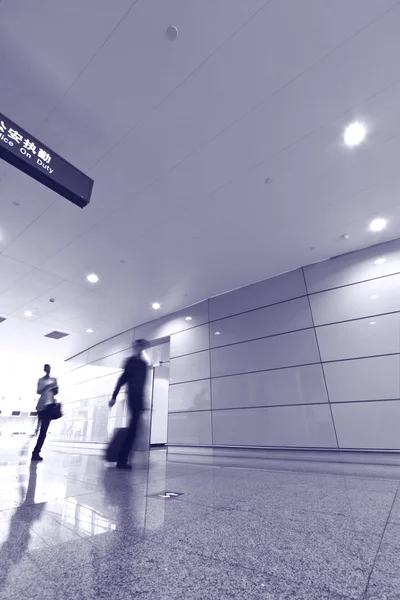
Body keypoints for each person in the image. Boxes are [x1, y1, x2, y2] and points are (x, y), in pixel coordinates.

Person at [109, 339, 148, 470]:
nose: (138, 348)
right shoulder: (130, 362)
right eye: (136, 345)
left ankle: (124, 458)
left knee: (135, 430)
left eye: (140, 345)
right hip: (132, 397)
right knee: (133, 429)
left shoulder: (144, 364)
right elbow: (122, 379)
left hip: (139, 398)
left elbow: (142, 384)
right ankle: (122, 459)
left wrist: (144, 401)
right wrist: (114, 396)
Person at [31, 364, 58, 462]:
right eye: (46, 368)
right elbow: (38, 391)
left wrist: (54, 388)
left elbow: (56, 392)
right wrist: (46, 386)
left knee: (43, 431)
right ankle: (35, 451)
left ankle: (36, 452)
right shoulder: (41, 380)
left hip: (50, 406)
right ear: (44, 369)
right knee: (41, 430)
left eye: (49, 368)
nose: (48, 370)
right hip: (42, 406)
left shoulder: (54, 380)